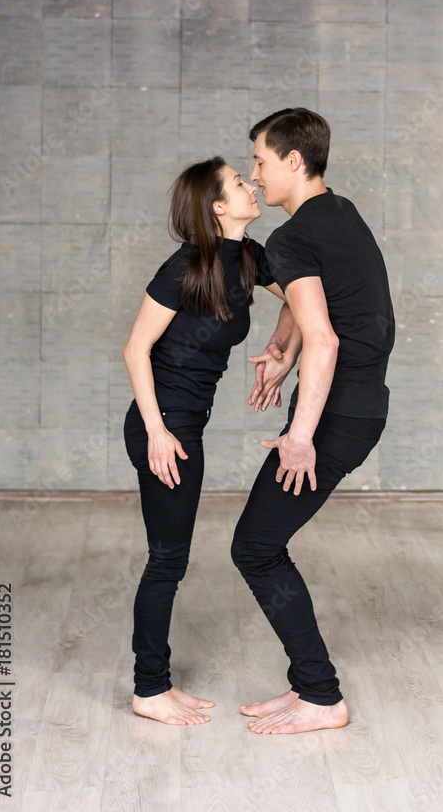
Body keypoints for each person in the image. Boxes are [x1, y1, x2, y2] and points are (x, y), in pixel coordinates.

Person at [232, 107, 395, 735]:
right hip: (361, 408)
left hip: (336, 417)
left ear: (293, 161)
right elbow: (310, 304)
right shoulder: (337, 214)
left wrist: (299, 437)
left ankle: (322, 697)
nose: (256, 175)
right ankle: (309, 687)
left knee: (255, 546)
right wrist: (281, 350)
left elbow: (323, 337)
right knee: (262, 543)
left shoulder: (290, 237)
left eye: (261, 161)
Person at [123, 157, 298, 726]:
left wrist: (282, 352)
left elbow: (300, 300)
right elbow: (135, 350)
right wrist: (155, 431)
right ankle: (149, 688)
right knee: (167, 561)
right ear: (219, 206)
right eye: (238, 182)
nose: (251, 183)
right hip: (164, 426)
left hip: (187, 423)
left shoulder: (250, 256)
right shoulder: (184, 267)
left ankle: (153, 683)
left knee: (171, 559)